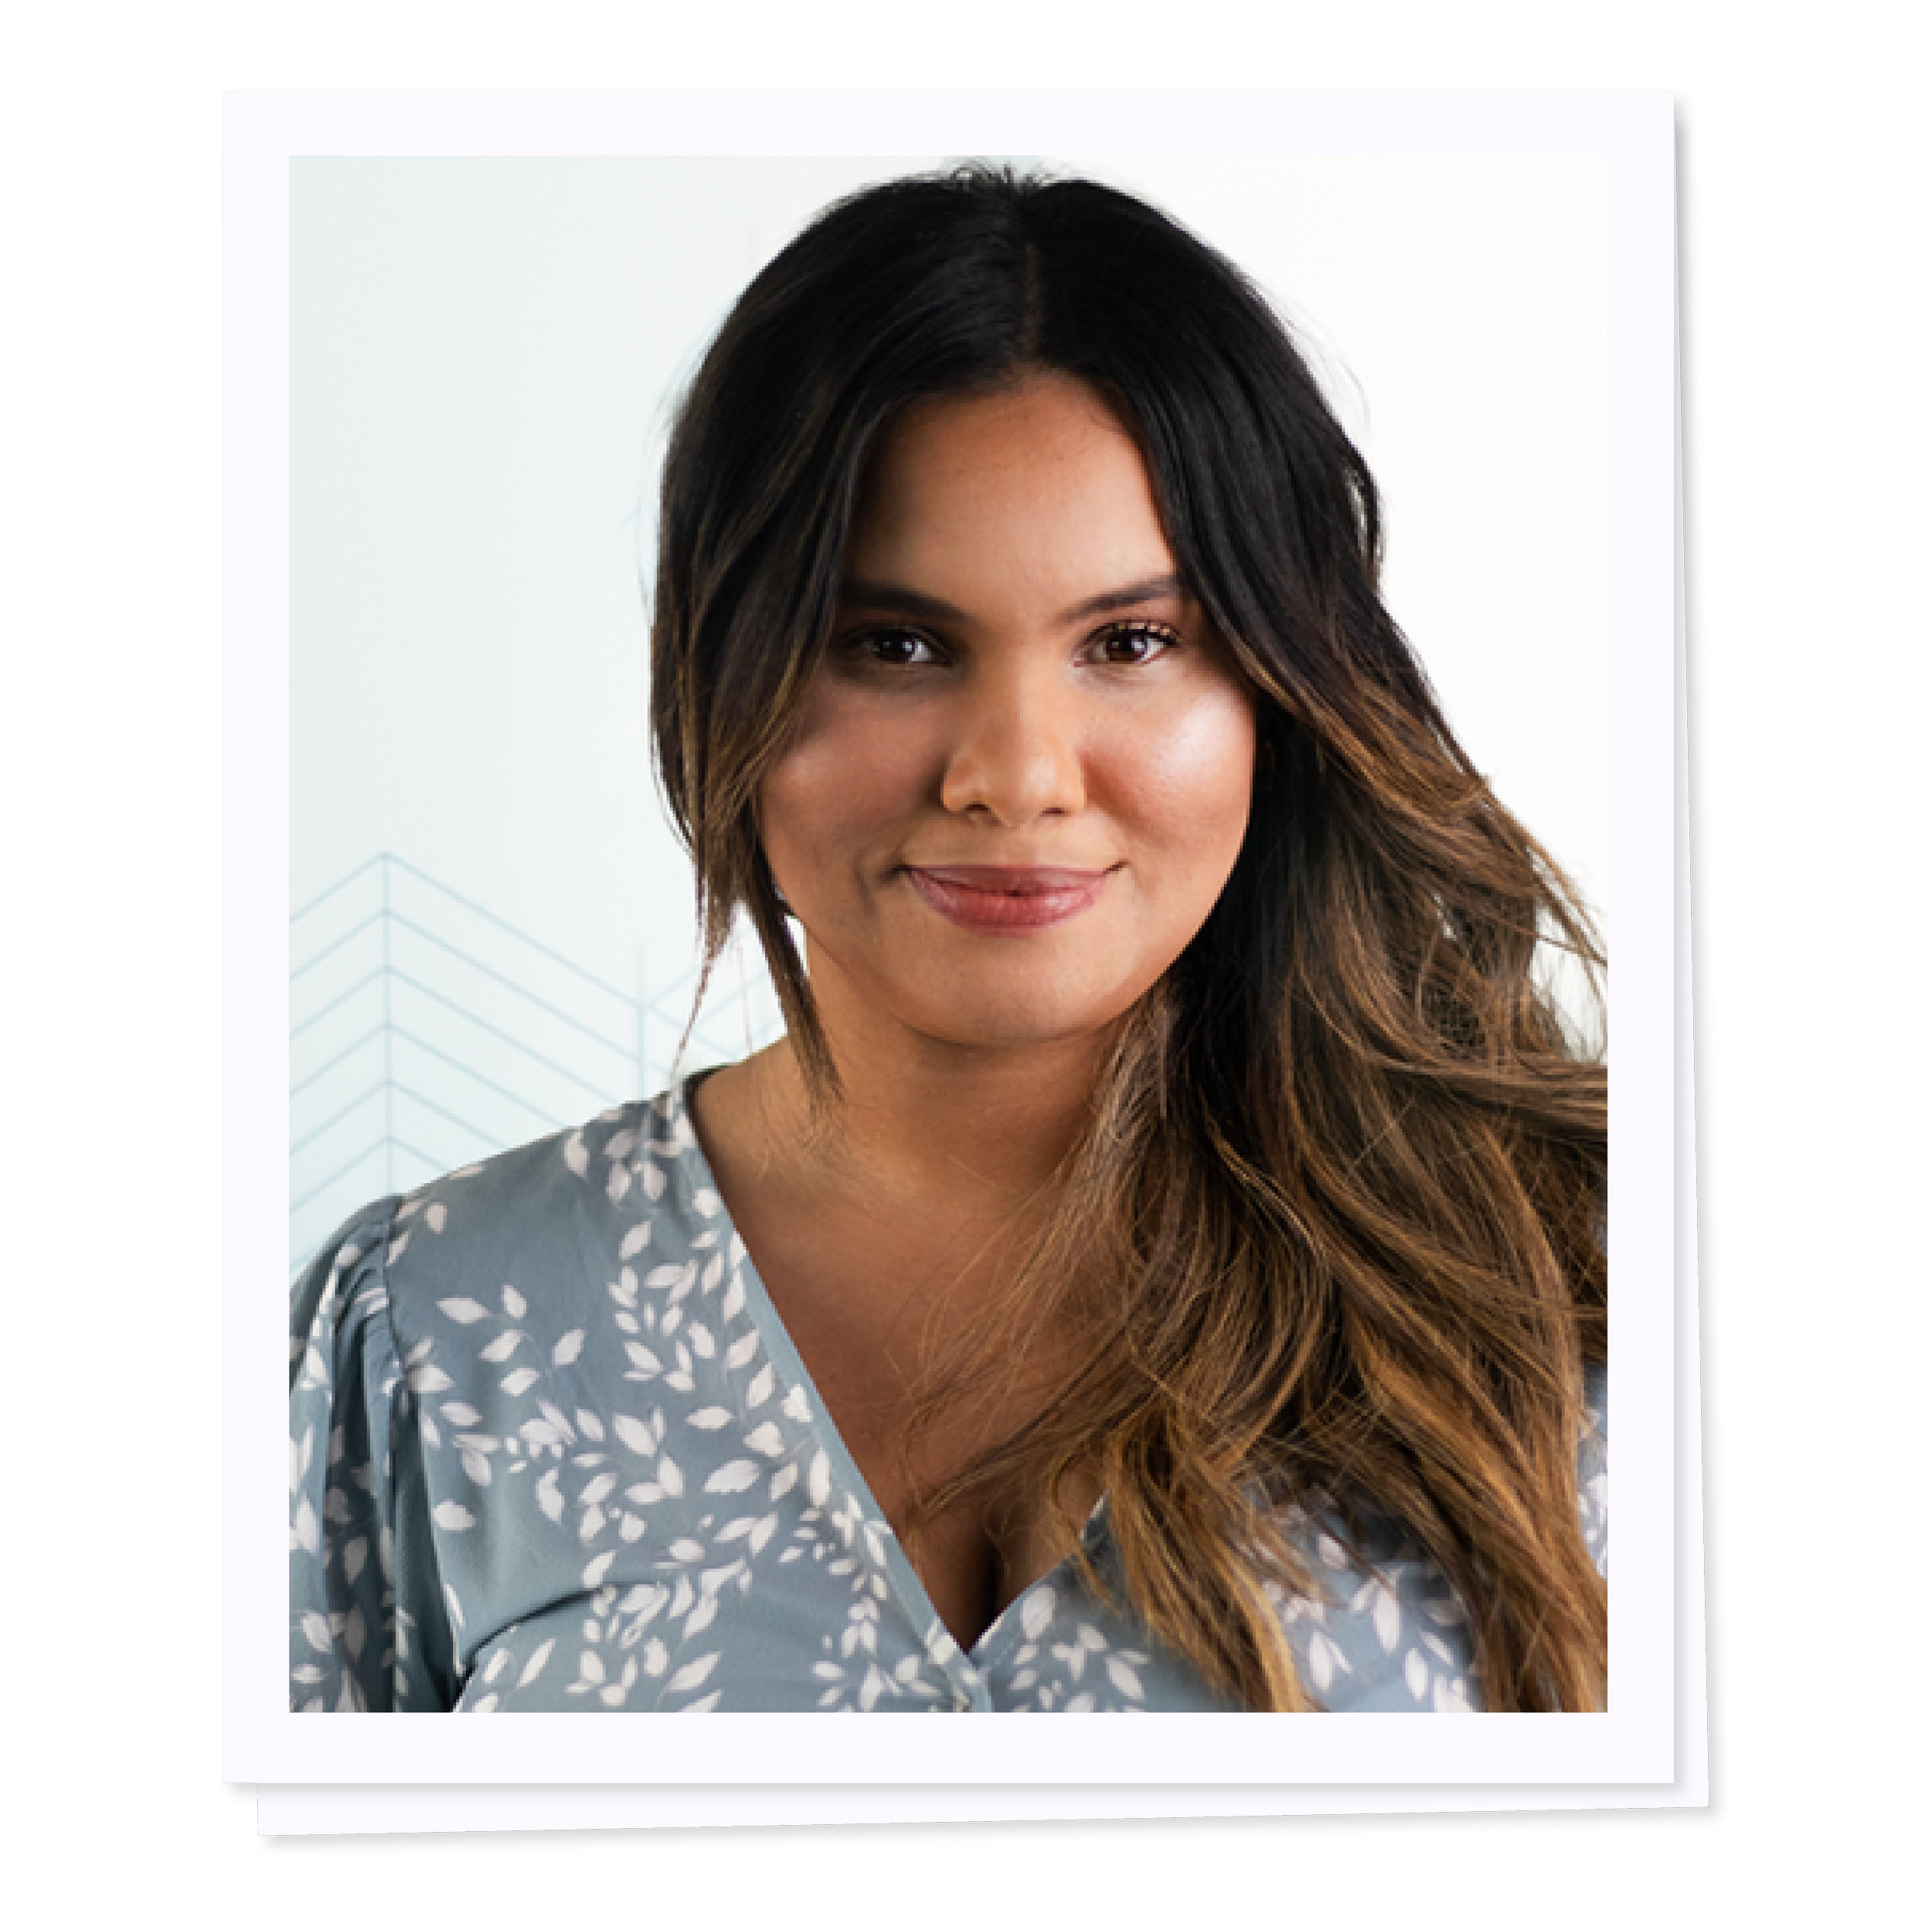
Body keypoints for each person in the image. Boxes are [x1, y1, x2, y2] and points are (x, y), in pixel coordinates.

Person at [289, 165, 1607, 1714]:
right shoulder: (428, 1330)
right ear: (716, 674)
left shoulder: (1583, 1287)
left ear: (1281, 686)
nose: (1016, 773)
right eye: (895, 644)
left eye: (1133, 641)